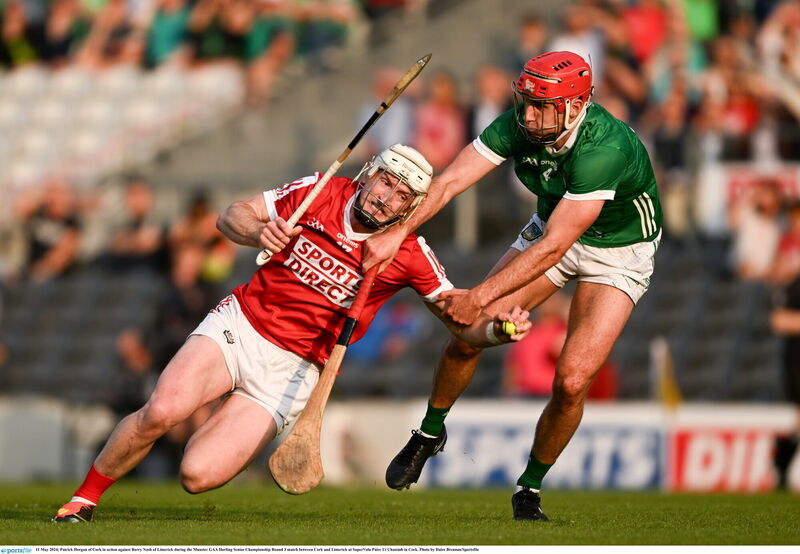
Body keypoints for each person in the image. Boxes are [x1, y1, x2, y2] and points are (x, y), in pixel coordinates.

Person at [53, 144, 532, 523]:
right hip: (241, 325)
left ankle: (227, 407)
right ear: (369, 174)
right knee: (161, 412)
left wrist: (497, 328)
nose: (386, 197)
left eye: (401, 195)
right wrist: (257, 233)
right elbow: (232, 214)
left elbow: (460, 321)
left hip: (293, 371)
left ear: (412, 207)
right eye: (386, 181)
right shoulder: (321, 192)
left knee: (197, 475)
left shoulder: (408, 251)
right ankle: (83, 499)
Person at [362, 51, 662, 521]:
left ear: (575, 106)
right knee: (467, 336)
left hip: (618, 251)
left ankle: (529, 488)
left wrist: (478, 295)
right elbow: (449, 182)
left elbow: (555, 247)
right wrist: (396, 234)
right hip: (553, 225)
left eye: (542, 106)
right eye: (526, 102)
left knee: (572, 381)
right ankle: (429, 432)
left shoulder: (606, 148)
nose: (529, 115)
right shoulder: (520, 123)